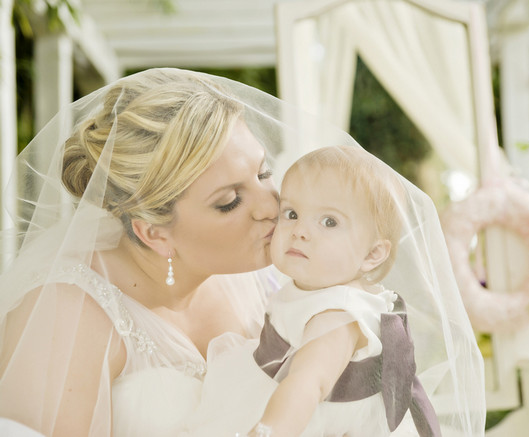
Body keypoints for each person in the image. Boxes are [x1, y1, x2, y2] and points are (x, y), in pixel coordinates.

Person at [0, 68, 485, 437]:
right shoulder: (63, 321)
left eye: (263, 172)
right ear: (154, 234)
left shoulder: (262, 274)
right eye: (229, 201)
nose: (271, 208)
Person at [183, 146, 440, 437]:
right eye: (291, 213)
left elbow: (308, 383)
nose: (300, 230)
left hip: (304, 418)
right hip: (279, 391)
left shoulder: (337, 313)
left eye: (329, 222)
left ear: (372, 253)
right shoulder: (322, 285)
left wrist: (266, 432)